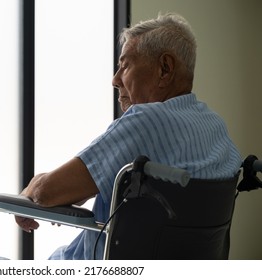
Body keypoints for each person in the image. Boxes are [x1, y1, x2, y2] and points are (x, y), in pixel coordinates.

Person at [15, 12, 242, 260]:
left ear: (164, 69)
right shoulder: (217, 128)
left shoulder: (146, 121)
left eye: (125, 65)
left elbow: (47, 191)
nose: (115, 79)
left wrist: (31, 188)